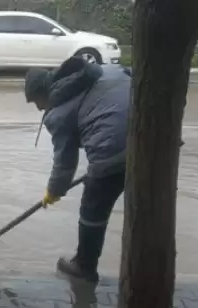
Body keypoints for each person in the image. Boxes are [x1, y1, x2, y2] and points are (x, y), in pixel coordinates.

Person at [24, 57, 131, 283]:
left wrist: (54, 191)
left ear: (45, 91)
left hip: (112, 148)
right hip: (153, 143)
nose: (39, 108)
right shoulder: (104, 71)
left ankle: (84, 266)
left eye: (36, 102)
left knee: (93, 206)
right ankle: (145, 268)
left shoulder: (58, 113)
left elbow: (65, 161)